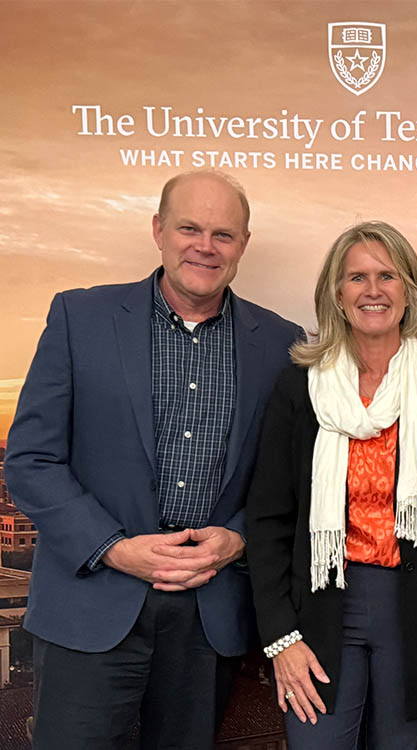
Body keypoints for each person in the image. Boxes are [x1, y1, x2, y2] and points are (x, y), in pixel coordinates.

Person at [5, 170, 303, 749]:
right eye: (189, 227)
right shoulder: (79, 319)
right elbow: (31, 460)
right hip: (91, 605)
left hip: (208, 611)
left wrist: (239, 538)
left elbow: (290, 478)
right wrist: (113, 548)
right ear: (158, 230)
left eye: (223, 233)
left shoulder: (281, 344)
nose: (205, 245)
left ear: (243, 244)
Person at [245, 220, 417, 749]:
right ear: (336, 293)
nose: (372, 290)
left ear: (410, 291)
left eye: (387, 276)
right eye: (356, 277)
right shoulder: (298, 388)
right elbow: (267, 523)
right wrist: (281, 638)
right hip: (320, 610)